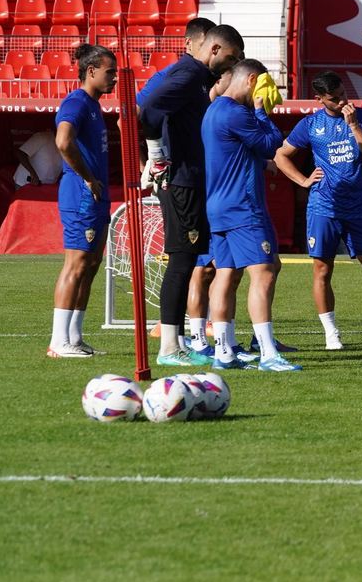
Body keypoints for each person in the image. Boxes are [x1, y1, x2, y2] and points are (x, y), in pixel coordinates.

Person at [274, 70, 362, 351]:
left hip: (357, 210)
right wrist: (303, 181)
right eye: (334, 99)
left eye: (343, 95)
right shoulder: (310, 124)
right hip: (323, 208)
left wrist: (354, 127)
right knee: (322, 271)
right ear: (319, 100)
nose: (342, 102)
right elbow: (281, 155)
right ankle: (331, 335)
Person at [137, 22, 244, 366]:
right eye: (231, 57)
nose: (232, 65)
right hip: (181, 181)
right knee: (182, 261)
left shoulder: (197, 78)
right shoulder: (186, 74)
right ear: (214, 49)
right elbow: (147, 112)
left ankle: (178, 343)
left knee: (187, 259)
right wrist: (155, 155)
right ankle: (169, 348)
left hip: (191, 180)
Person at [202, 58, 300, 372]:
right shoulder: (237, 113)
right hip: (243, 208)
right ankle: (268, 353)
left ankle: (224, 353)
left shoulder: (213, 110)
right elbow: (272, 145)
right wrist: (261, 111)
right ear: (252, 80)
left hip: (218, 206)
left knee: (226, 276)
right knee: (265, 272)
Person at [47, 44, 117, 358]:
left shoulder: (93, 106)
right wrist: (88, 178)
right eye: (110, 72)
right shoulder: (76, 102)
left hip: (97, 196)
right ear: (91, 71)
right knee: (75, 266)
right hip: (81, 196)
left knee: (91, 265)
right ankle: (58, 342)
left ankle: (74, 338)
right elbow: (63, 140)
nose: (114, 78)